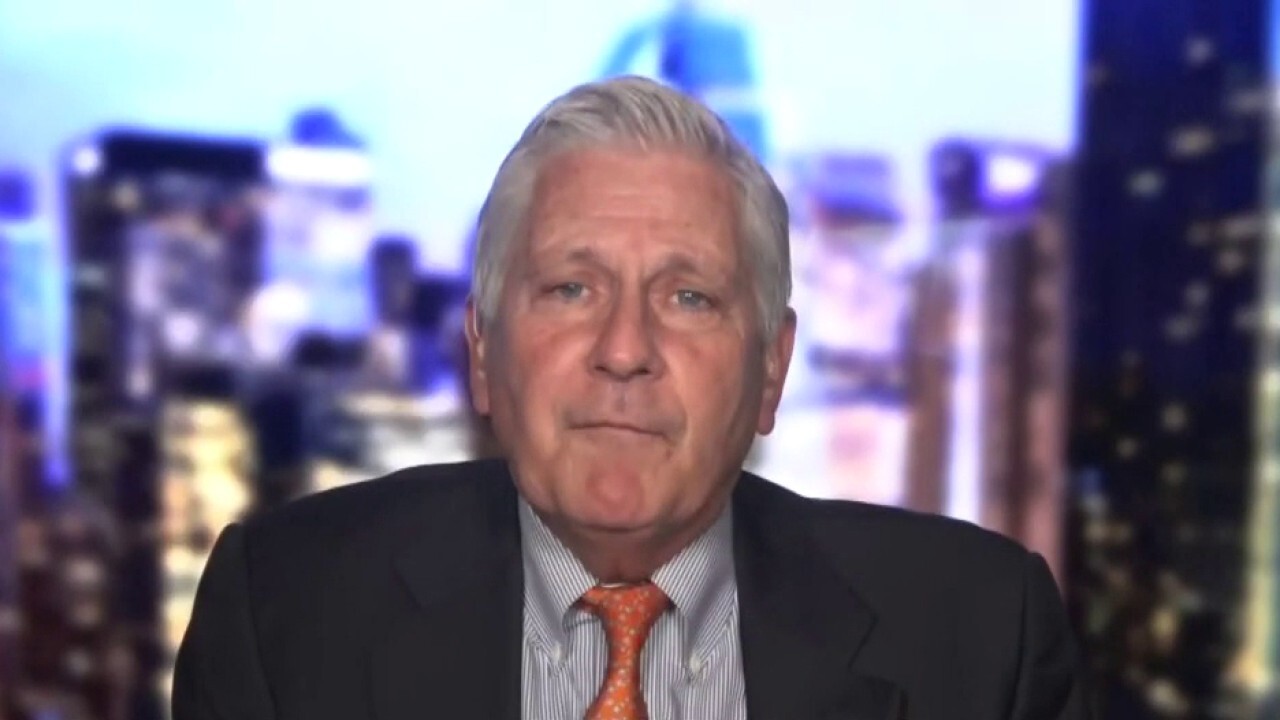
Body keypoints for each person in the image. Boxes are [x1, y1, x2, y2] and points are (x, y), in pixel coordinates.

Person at [173, 76, 1091, 720]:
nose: (624, 350)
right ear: (482, 354)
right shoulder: (283, 615)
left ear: (771, 371)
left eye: (689, 298)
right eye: (571, 289)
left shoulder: (981, 639)